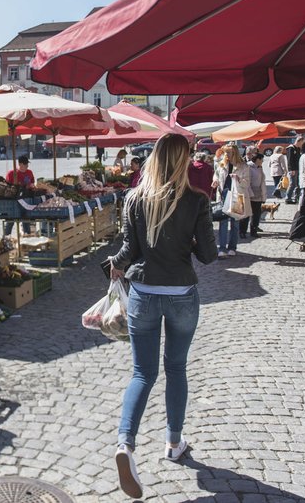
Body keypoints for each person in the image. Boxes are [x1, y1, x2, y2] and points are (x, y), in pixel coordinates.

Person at [107, 133, 217, 498]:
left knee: (142, 373)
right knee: (176, 368)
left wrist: (114, 265)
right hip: (181, 293)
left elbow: (129, 249)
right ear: (185, 161)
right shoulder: (196, 200)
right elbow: (209, 257)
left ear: (154, 158)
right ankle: (173, 442)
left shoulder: (135, 198)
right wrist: (190, 237)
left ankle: (125, 445)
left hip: (144, 294)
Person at [213, 145, 251, 258]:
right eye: (225, 153)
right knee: (223, 222)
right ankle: (222, 248)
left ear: (234, 153)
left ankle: (232, 247)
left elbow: (247, 183)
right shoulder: (222, 164)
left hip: (237, 196)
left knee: (235, 223)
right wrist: (215, 181)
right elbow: (216, 175)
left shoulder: (243, 166)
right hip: (223, 195)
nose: (226, 155)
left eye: (228, 153)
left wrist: (239, 179)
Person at [4, 155, 35, 236]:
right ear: (20, 164)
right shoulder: (12, 173)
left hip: (26, 199)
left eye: (27, 164)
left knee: (26, 219)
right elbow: (7, 186)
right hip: (13, 200)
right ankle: (6, 236)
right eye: (25, 164)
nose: (27, 166)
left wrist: (31, 186)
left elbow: (32, 182)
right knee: (11, 220)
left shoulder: (29, 172)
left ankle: (27, 236)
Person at [240, 153, 268, 238]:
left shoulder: (260, 168)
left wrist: (263, 195)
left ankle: (254, 231)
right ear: (258, 159)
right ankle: (242, 232)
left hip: (258, 194)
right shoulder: (248, 167)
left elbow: (262, 182)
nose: (262, 161)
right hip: (249, 194)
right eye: (262, 160)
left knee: (256, 214)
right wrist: (250, 193)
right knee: (246, 214)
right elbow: (247, 182)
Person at [285, 136, 304, 203]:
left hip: (298, 168)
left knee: (298, 184)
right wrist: (291, 169)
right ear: (299, 141)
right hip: (293, 169)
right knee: (292, 184)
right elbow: (289, 160)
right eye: (302, 142)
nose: (302, 144)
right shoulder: (291, 148)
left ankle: (296, 197)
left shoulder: (298, 149)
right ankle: (288, 198)